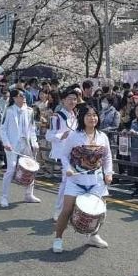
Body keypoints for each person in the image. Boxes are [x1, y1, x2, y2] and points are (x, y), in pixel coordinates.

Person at [52, 103, 112, 253]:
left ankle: (93, 235)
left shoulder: (103, 136)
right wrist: (68, 169)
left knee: (100, 211)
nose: (92, 118)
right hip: (76, 181)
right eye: (88, 115)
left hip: (96, 181)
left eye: (94, 115)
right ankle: (58, 238)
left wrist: (108, 173)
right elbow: (64, 156)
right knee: (66, 210)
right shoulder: (74, 136)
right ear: (82, 118)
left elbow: (108, 156)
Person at [0, 88, 41, 208]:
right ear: (14, 98)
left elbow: (32, 129)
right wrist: (6, 143)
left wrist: (34, 143)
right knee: (11, 169)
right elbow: (3, 129)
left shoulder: (29, 111)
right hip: (12, 144)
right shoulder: (8, 111)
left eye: (24, 96)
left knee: (31, 168)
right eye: (21, 96)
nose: (23, 98)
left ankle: (29, 194)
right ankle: (4, 196)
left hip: (26, 143)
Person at [45, 89, 80, 220]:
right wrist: (61, 135)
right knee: (66, 181)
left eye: (75, 99)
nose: (72, 101)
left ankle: (70, 211)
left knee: (73, 182)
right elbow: (49, 135)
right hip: (64, 154)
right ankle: (59, 210)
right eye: (70, 98)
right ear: (63, 100)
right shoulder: (57, 116)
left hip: (75, 153)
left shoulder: (75, 115)